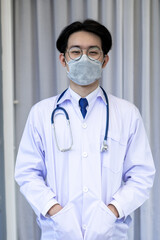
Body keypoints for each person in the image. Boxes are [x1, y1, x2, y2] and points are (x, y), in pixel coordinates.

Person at [15, 19, 155, 240]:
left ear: (104, 60)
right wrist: (56, 212)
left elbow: (141, 175)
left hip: (111, 233)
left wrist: (112, 212)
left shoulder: (127, 114)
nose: (84, 58)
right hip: (57, 233)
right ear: (64, 59)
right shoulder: (41, 113)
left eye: (93, 52)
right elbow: (27, 173)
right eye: (75, 51)